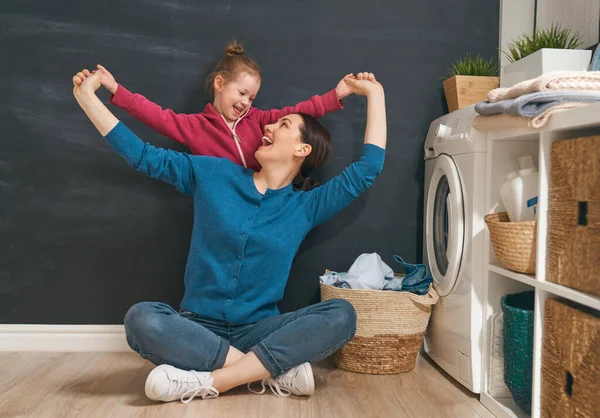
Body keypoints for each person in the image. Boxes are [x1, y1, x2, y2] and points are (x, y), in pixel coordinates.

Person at [72, 68, 386, 403]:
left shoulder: (306, 206)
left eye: (282, 126)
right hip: (197, 329)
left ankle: (206, 381)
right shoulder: (214, 173)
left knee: (342, 314)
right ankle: (266, 373)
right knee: (141, 319)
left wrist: (374, 93)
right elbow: (143, 156)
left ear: (302, 150)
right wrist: (88, 98)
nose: (266, 126)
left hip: (260, 331)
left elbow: (368, 169)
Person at [75, 41, 354, 171]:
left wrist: (334, 96)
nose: (246, 102)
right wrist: (116, 89)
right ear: (220, 84)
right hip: (222, 204)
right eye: (242, 93)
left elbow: (301, 112)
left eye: (252, 98)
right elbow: (156, 116)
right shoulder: (195, 127)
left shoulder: (261, 120)